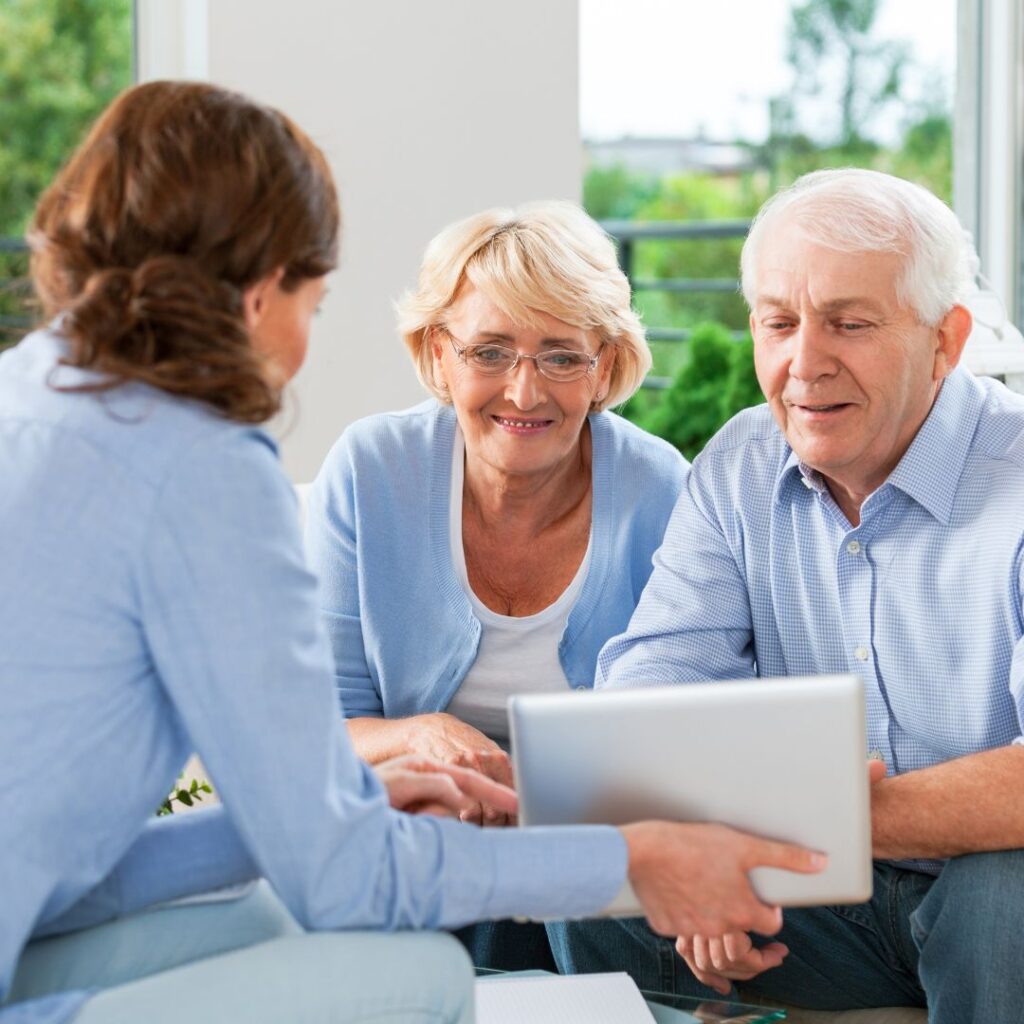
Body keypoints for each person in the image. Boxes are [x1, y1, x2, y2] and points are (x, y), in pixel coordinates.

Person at [0, 81, 824, 1024]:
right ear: (261, 288)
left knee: (268, 921)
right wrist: (637, 859)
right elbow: (344, 883)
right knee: (426, 981)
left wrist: (352, 801)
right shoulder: (206, 473)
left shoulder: (29, 396)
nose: (304, 333)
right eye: (313, 297)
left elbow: (80, 866)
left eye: (561, 353)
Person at [555, 168, 1024, 1023]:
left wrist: (820, 816)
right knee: (590, 879)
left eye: (850, 323)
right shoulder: (739, 463)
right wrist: (700, 854)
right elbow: (647, 699)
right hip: (813, 904)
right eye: (778, 323)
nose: (804, 363)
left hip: (985, 889)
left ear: (946, 341)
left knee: (1008, 890)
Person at [304, 201, 688, 969]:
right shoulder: (370, 470)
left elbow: (681, 734)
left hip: (590, 851)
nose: (524, 392)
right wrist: (418, 733)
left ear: (604, 364)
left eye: (560, 356)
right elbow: (321, 728)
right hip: (418, 834)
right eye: (490, 352)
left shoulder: (660, 488)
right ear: (439, 354)